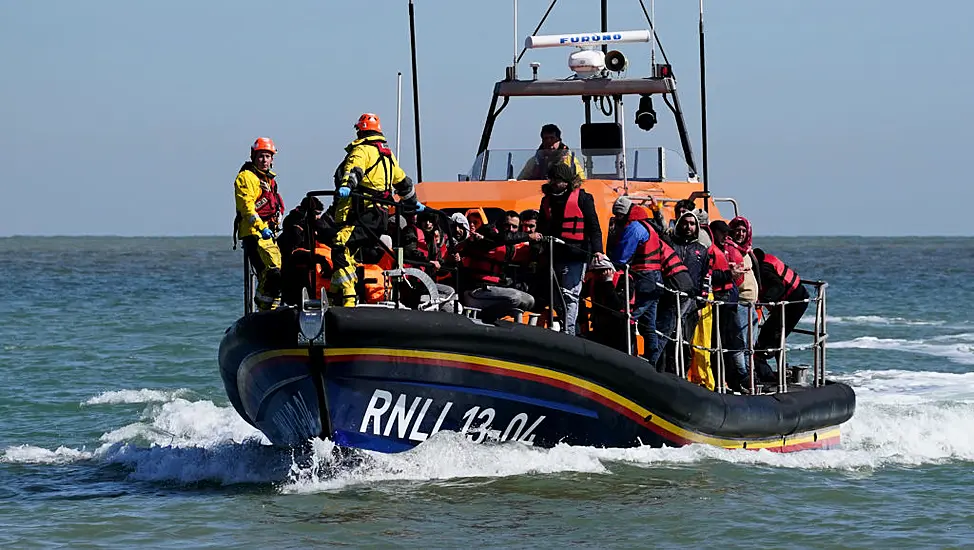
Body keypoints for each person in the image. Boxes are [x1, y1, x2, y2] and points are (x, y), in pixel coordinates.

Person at [332, 113, 422, 306]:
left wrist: (346, 186)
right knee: (351, 254)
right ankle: (335, 293)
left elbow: (354, 171)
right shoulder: (388, 156)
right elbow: (404, 183)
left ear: (360, 131)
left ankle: (348, 297)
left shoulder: (362, 150)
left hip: (364, 215)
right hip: (380, 216)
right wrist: (414, 202)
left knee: (339, 244)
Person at [538, 162, 604, 335]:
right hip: (553, 255)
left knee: (570, 295)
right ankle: (566, 327)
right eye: (551, 178)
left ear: (566, 181)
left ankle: (568, 332)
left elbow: (594, 228)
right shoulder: (546, 201)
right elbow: (541, 227)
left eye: (557, 179)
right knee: (554, 296)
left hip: (575, 255)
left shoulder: (583, 199)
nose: (553, 182)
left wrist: (598, 251)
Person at [609, 198, 665, 363]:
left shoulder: (633, 228)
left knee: (630, 317)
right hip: (656, 279)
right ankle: (653, 362)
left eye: (619, 215)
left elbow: (622, 256)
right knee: (649, 325)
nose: (617, 218)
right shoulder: (648, 226)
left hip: (644, 279)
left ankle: (625, 355)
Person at [234, 137, 286, 311]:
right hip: (254, 234)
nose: (264, 160)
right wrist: (261, 227)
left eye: (267, 156)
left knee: (278, 272)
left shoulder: (269, 180)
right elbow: (247, 208)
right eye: (261, 156)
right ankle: (262, 307)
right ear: (254, 157)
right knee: (272, 272)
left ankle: (272, 309)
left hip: (269, 234)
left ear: (272, 159)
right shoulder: (246, 178)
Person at [753, 248, 809, 383]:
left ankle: (768, 376)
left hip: (794, 303)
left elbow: (778, 287)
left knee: (768, 340)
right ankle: (780, 371)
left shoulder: (764, 269)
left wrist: (764, 300)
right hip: (792, 299)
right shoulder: (765, 262)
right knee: (774, 337)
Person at [517, 124, 586, 181]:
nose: (549, 142)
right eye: (546, 139)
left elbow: (582, 180)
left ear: (559, 140)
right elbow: (520, 181)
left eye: (552, 138)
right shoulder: (535, 161)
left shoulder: (570, 160)